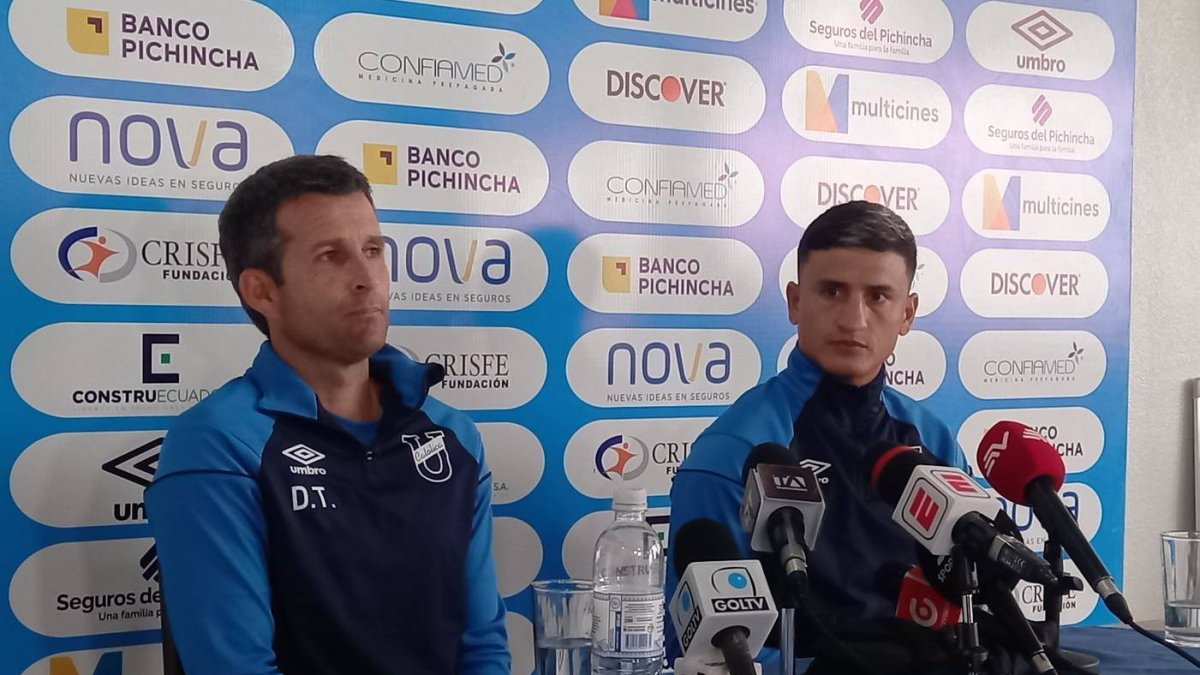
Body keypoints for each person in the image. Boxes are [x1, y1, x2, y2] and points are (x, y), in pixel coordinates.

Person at [145, 155, 510, 675]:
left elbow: (482, 648)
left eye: (372, 250)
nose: (366, 278)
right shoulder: (219, 443)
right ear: (261, 290)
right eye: (330, 256)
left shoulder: (453, 435)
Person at [666, 200, 969, 666]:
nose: (854, 320)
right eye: (831, 291)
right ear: (794, 301)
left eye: (878, 296)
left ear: (907, 314)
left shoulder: (934, 440)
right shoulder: (733, 452)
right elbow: (697, 649)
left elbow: (968, 603)